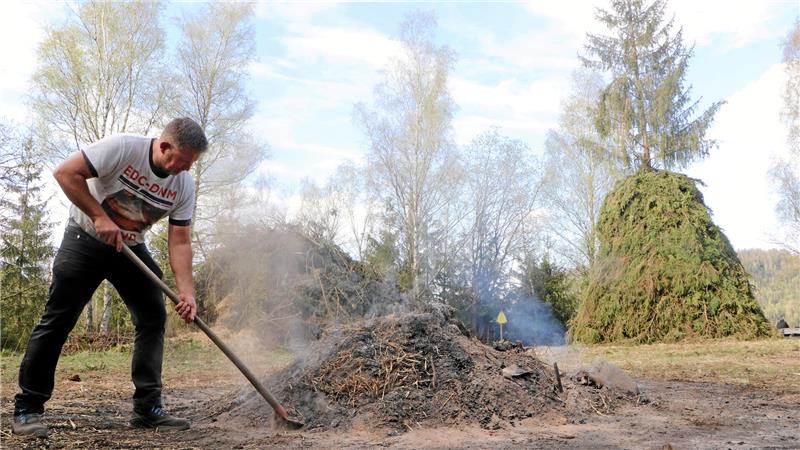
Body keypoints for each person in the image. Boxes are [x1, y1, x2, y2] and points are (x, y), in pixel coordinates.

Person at [12, 118, 208, 438]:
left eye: (192, 164)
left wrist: (187, 292)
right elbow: (65, 173)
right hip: (84, 240)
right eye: (184, 161)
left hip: (130, 249)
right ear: (164, 147)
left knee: (152, 316)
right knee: (58, 320)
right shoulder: (122, 148)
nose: (186, 169)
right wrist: (99, 215)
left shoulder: (184, 184)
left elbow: (180, 241)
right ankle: (27, 408)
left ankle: (147, 408)